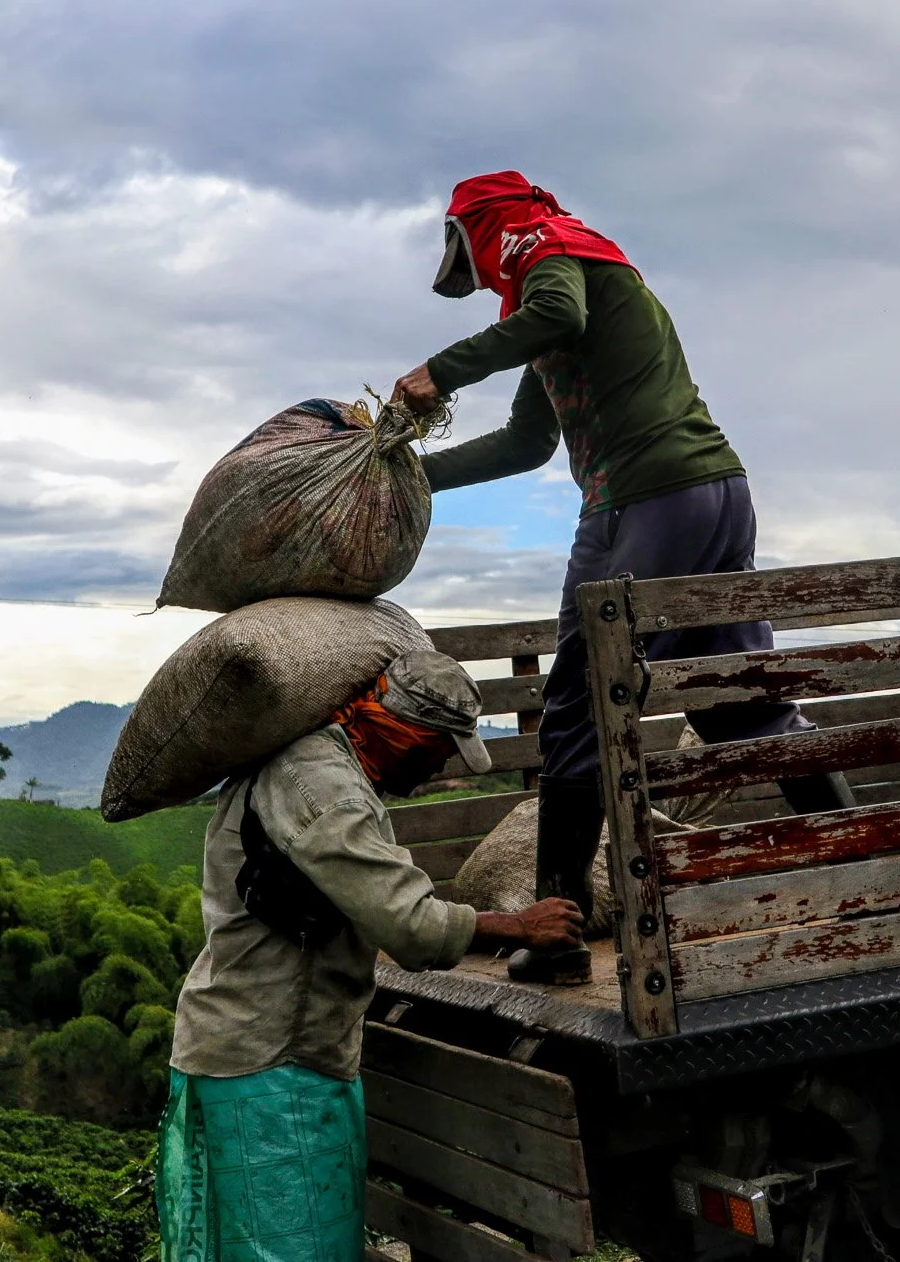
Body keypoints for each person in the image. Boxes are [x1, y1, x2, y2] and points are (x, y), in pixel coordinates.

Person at [392, 170, 853, 987]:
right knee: (738, 701)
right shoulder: (561, 289)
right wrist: (410, 472)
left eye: (467, 247)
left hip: (644, 500)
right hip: (712, 494)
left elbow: (555, 311)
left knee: (578, 702)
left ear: (486, 229)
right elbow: (525, 446)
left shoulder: (548, 253)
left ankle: (559, 930)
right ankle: (872, 862)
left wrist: (442, 372)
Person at [158, 648, 584, 1262]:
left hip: (260, 1055)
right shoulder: (325, 790)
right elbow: (409, 925)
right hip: (271, 1068)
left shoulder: (311, 764)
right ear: (405, 733)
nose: (439, 767)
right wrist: (519, 925)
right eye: (439, 749)